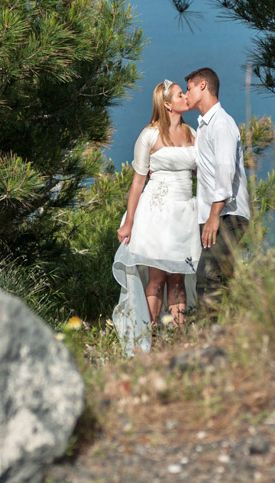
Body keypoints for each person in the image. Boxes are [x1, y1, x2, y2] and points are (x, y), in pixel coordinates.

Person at [112, 80, 202, 356]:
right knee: (157, 278)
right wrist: (128, 223)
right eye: (180, 94)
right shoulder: (149, 135)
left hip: (185, 212)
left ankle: (177, 341)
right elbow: (138, 182)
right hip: (157, 213)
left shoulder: (193, 133)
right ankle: (146, 340)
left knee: (178, 276)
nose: (186, 97)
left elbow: (202, 175)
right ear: (167, 104)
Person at [184, 68, 250, 303]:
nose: (186, 94)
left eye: (189, 88)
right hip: (216, 214)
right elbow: (206, 167)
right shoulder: (203, 126)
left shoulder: (221, 124)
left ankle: (210, 333)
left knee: (207, 276)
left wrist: (213, 216)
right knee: (222, 277)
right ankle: (228, 332)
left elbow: (225, 171)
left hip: (227, 214)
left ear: (202, 85)